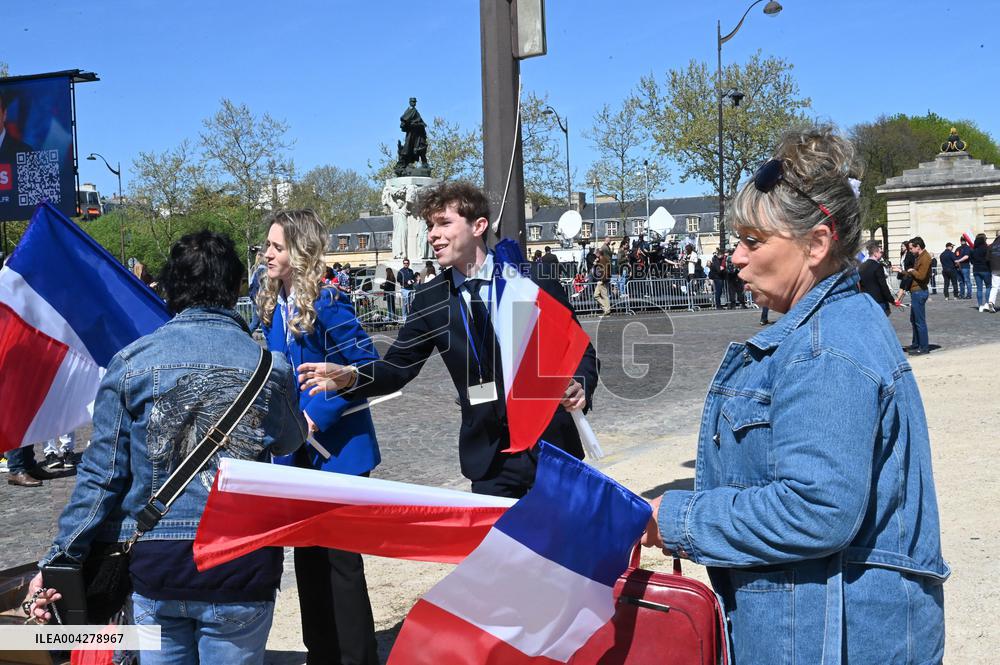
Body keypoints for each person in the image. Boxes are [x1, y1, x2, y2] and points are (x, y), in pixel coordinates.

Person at [641, 126, 948, 664]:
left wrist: (674, 518)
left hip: (833, 637)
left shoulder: (822, 348)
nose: (735, 256)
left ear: (817, 244)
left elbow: (817, 509)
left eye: (754, 242)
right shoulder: (838, 325)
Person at [28, 230, 307, 664]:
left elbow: (101, 479)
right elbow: (291, 439)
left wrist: (60, 559)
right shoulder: (269, 365)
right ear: (235, 289)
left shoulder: (132, 363)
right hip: (241, 562)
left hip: (159, 562)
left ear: (171, 290)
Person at [298, 181, 599, 499]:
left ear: (478, 226)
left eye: (444, 223)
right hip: (490, 459)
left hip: (552, 446)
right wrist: (352, 378)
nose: (432, 234)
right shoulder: (430, 298)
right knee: (499, 549)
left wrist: (580, 384)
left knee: (560, 549)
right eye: (430, 225)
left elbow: (581, 351)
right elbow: (398, 368)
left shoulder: (528, 280)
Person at [257, 210, 382, 665]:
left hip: (342, 453)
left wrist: (315, 415)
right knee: (306, 560)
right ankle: (321, 654)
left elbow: (365, 365)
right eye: (267, 246)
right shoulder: (271, 302)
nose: (267, 253)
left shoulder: (328, 300)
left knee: (341, 564)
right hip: (299, 456)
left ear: (300, 250)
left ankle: (356, 658)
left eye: (276, 246)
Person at [906, 236, 933, 355]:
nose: (910, 250)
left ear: (918, 247)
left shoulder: (925, 257)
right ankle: (916, 343)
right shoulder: (919, 257)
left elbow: (921, 276)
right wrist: (902, 271)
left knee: (919, 321)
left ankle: (923, 347)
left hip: (919, 291)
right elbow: (914, 272)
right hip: (915, 291)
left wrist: (911, 271)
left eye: (911, 248)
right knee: (914, 319)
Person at [858, 239, 894, 315]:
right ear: (875, 253)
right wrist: (891, 299)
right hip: (879, 300)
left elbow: (859, 284)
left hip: (867, 300)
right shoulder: (878, 266)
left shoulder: (861, 266)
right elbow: (883, 285)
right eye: (880, 252)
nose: (882, 254)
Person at [971, 232, 992, 309]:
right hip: (985, 269)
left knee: (979, 288)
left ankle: (980, 306)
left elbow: (971, 261)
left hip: (976, 270)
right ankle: (987, 303)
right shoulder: (986, 248)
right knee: (988, 287)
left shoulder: (973, 250)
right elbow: (989, 259)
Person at [593, 238, 613, 316]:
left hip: (602, 280)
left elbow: (604, 270)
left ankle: (607, 310)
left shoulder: (602, 260)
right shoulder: (603, 259)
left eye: (596, 254)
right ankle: (606, 308)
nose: (595, 255)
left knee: (603, 295)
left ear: (599, 254)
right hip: (603, 279)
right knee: (596, 295)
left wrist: (603, 279)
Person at [893, 240, 914, 307]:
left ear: (907, 247)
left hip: (908, 274)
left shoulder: (910, 254)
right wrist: (897, 268)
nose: (902, 247)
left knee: (904, 287)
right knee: (903, 287)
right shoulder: (902, 254)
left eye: (903, 246)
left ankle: (898, 300)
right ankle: (898, 300)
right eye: (901, 246)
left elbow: (912, 264)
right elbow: (902, 264)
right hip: (903, 273)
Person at [987, 230, 1000, 313]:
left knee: (994, 287)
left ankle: (991, 302)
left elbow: (987, 259)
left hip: (994, 268)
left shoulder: (991, 246)